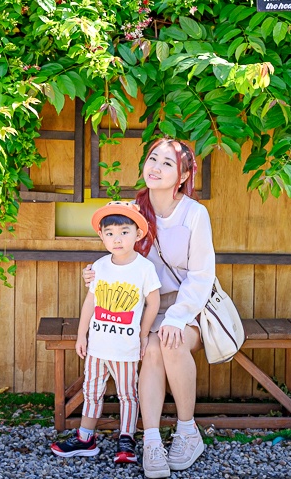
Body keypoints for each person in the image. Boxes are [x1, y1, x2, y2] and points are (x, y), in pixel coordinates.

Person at [83, 138, 215, 479]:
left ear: (184, 175)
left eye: (167, 163)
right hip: (143, 310)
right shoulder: (132, 210)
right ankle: (152, 440)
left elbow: (201, 277)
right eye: (153, 158)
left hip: (186, 308)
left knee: (169, 342)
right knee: (152, 350)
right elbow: (116, 254)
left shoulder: (195, 214)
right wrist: (97, 273)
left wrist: (177, 316)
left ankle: (187, 432)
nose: (155, 167)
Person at [50, 201, 161, 465]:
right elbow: (91, 302)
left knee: (127, 394)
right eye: (109, 233)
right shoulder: (99, 266)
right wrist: (81, 335)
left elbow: (153, 302)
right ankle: (86, 437)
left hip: (126, 349)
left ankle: (127, 440)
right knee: (91, 391)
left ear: (138, 233)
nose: (117, 239)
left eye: (124, 232)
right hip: (98, 347)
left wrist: (144, 334)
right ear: (101, 236)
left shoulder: (144, 268)